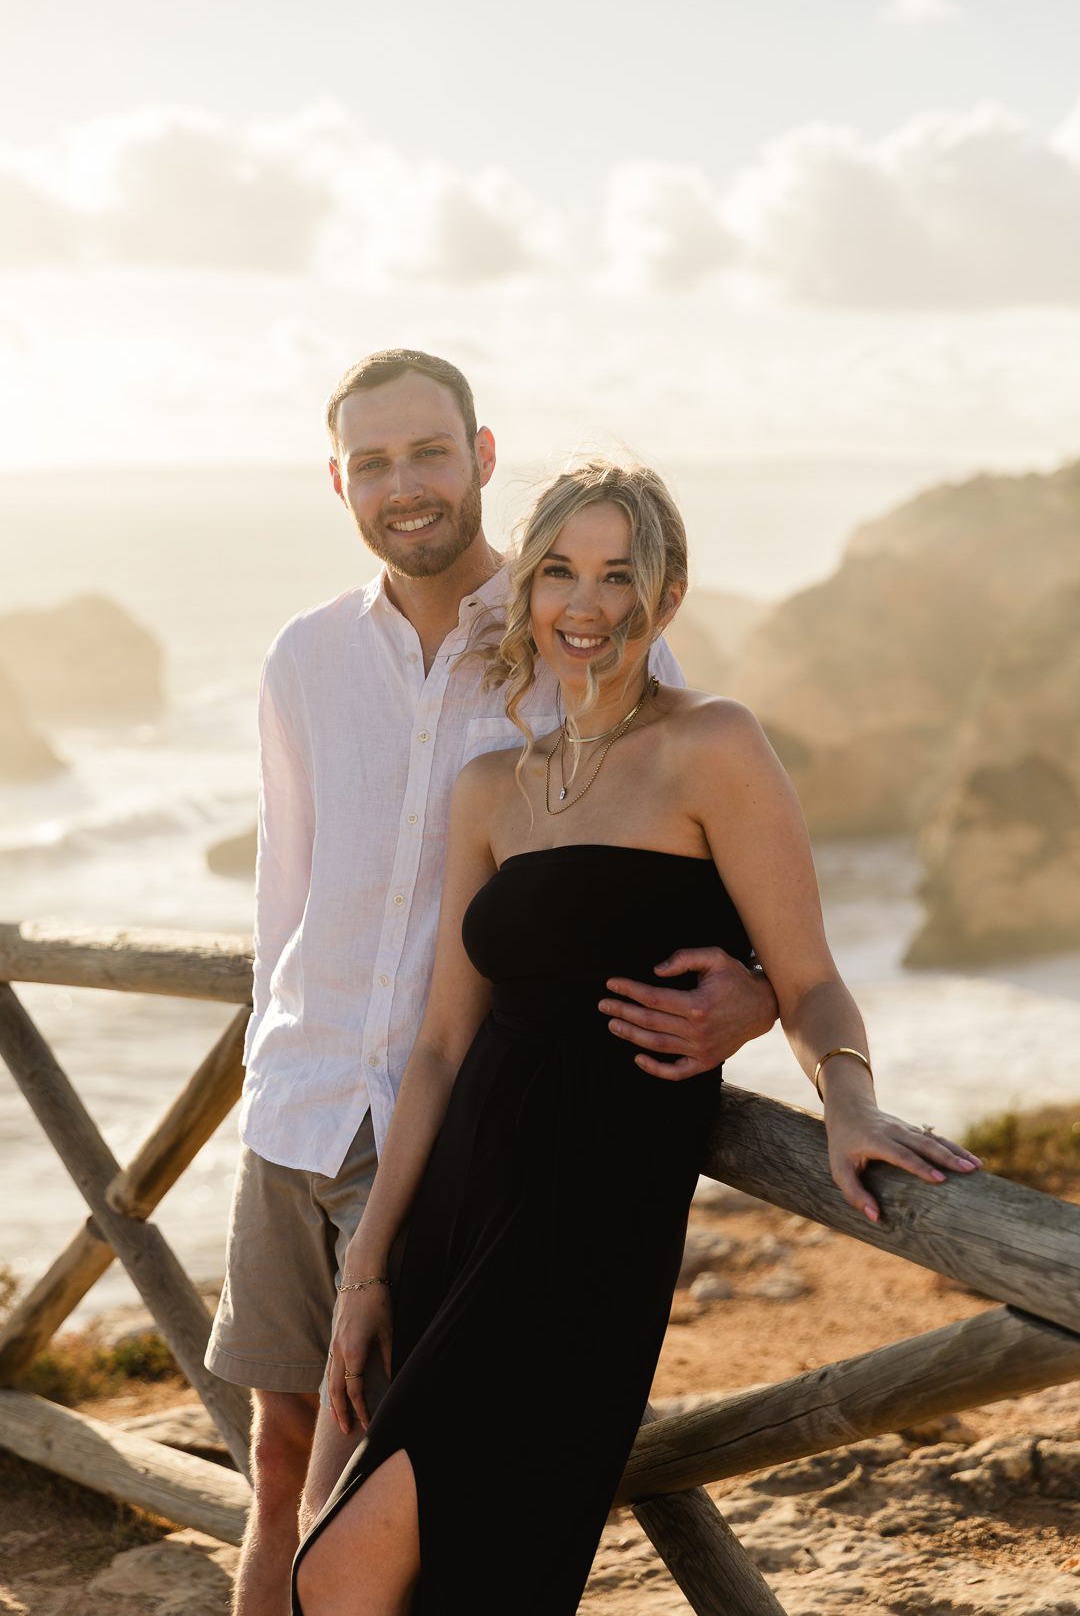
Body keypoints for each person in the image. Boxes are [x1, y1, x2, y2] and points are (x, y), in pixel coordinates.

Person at [291, 458, 983, 1615]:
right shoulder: (490, 788)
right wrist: (366, 1271)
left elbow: (808, 980)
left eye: (622, 574)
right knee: (346, 1560)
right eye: (559, 569)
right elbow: (440, 1051)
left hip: (581, 1225)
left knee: (363, 1571)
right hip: (453, 1217)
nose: (587, 602)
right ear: (527, 593)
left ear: (663, 599)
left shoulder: (712, 745)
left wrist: (849, 1102)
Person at [205, 351, 779, 1616]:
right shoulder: (303, 658)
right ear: (338, 479)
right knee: (280, 1455)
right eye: (371, 462)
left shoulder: (571, 636)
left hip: (448, 1133)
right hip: (296, 1108)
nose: (402, 486)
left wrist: (756, 987)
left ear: (483, 456)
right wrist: (265, 1077)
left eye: (428, 453)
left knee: (359, 1506)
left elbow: (686, 831)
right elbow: (283, 893)